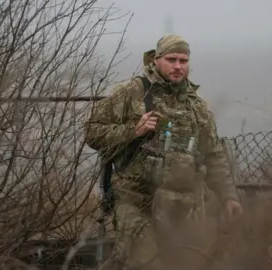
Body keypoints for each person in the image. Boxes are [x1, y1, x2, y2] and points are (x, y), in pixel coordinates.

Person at [84, 34, 242, 270]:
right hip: (135, 200)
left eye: (183, 60)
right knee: (147, 261)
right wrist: (132, 131)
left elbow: (213, 154)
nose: (178, 66)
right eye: (171, 59)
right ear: (156, 60)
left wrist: (229, 196)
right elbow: (92, 133)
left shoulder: (195, 106)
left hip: (182, 205)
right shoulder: (132, 93)